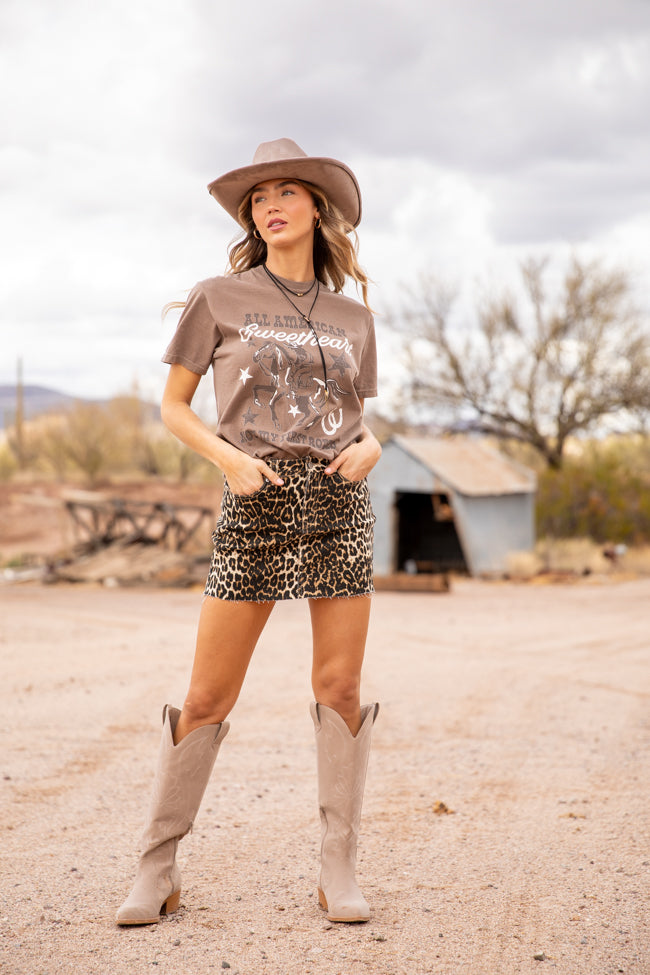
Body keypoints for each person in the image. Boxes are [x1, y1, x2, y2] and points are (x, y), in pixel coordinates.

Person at [116, 138, 382, 927]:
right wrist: (229, 460)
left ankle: (338, 867)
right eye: (258, 197)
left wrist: (371, 447)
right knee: (207, 692)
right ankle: (156, 866)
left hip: (338, 500)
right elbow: (173, 408)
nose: (270, 205)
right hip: (254, 494)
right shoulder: (218, 298)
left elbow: (356, 420)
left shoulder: (355, 317)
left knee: (339, 687)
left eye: (286, 191)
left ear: (317, 209)